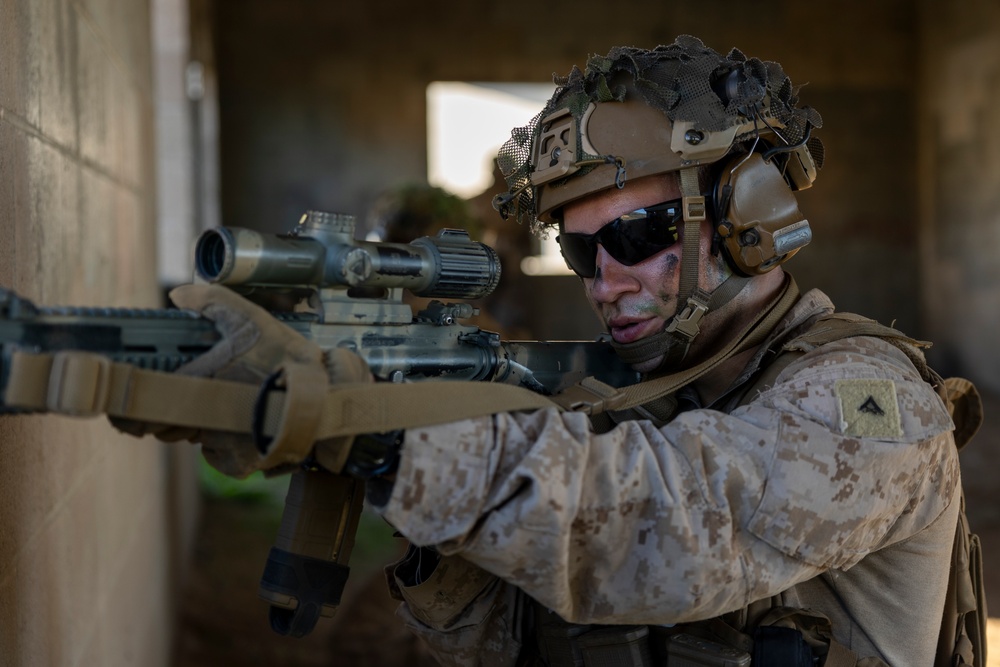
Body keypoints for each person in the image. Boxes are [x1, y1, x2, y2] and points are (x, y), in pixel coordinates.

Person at [123, 36, 963, 665]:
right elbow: (518, 641)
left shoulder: (869, 403)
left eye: (635, 235)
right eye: (580, 249)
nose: (604, 279)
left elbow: (670, 528)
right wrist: (436, 528)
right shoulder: (644, 387)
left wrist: (391, 435)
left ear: (747, 215)